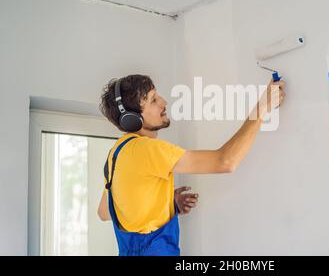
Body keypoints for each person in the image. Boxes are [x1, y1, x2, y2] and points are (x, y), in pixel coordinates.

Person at [97, 74, 285, 256]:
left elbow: (104, 212)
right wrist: (262, 108)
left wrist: (164, 203)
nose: (163, 102)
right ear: (131, 118)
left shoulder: (116, 154)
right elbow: (226, 161)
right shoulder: (147, 149)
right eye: (153, 100)